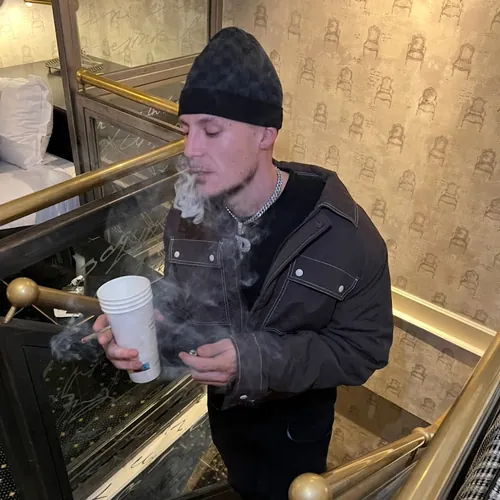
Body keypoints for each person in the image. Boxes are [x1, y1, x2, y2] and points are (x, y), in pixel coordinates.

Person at [94, 27, 393, 500]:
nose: (190, 150)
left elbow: (363, 349)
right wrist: (152, 322)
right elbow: (185, 305)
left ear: (265, 134)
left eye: (212, 130)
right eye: (186, 130)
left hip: (295, 432)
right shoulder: (187, 217)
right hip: (225, 419)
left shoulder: (345, 237)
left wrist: (254, 360)